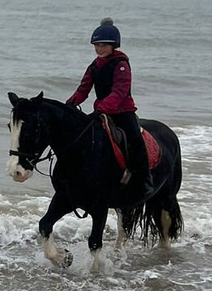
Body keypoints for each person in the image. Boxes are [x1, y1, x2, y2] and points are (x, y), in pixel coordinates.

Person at [65, 17, 154, 200]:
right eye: (96, 45)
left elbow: (119, 92)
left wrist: (103, 107)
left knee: (135, 140)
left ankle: (144, 179)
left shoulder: (121, 64)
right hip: (102, 112)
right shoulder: (94, 66)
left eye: (104, 45)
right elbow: (83, 89)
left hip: (123, 112)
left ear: (114, 45)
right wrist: (70, 104)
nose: (99, 49)